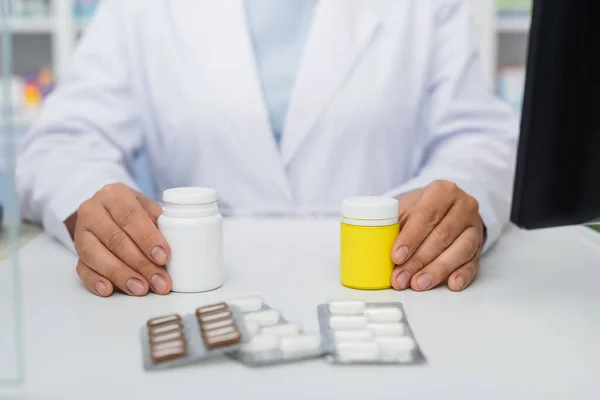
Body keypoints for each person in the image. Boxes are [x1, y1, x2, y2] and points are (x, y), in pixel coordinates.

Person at [15, 0, 518, 297]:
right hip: (191, 288)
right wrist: (93, 206)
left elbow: (480, 135)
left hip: (395, 285)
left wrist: (455, 205)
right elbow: (64, 139)